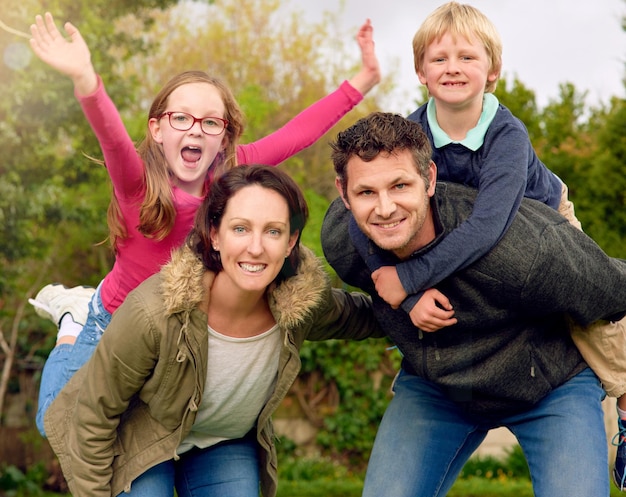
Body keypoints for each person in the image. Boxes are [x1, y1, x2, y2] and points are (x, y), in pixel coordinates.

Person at [27, 11, 380, 437]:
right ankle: (72, 319)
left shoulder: (232, 174)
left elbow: (298, 133)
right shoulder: (137, 182)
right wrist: (86, 79)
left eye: (210, 122)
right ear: (158, 128)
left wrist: (364, 79)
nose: (195, 129)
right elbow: (112, 137)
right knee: (56, 426)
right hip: (110, 321)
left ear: (224, 136)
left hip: (175, 330)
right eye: (181, 118)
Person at [345, 3, 626, 489]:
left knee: (590, 307)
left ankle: (624, 399)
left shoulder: (506, 134)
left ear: (492, 70)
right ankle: (436, 372)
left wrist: (410, 276)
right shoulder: (410, 135)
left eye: (467, 57)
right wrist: (401, 292)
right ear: (420, 71)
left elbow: (491, 226)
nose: (452, 67)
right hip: (455, 232)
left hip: (540, 225)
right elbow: (354, 214)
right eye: (439, 58)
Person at [43, 164, 383, 497]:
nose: (256, 247)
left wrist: (414, 298)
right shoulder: (153, 313)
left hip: (223, 439)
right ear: (215, 235)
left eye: (273, 231)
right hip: (143, 429)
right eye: (240, 229)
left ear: (291, 241)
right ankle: (72, 324)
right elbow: (93, 418)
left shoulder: (301, 304)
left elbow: (364, 317)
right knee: (53, 416)